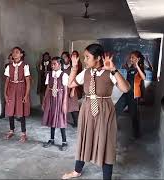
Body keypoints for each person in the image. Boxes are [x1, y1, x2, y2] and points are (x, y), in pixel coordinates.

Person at [61, 43, 130, 180]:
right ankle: (77, 171)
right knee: (84, 138)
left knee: (106, 142)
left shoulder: (109, 72)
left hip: (104, 110)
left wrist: (114, 70)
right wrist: (74, 68)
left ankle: (107, 177)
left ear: (98, 58)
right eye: (84, 57)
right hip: (87, 109)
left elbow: (126, 89)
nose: (85, 60)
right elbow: (70, 84)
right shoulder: (86, 72)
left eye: (87, 57)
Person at [115, 50, 146, 138]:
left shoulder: (140, 68)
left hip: (134, 95)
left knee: (134, 116)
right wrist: (126, 67)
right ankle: (113, 127)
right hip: (127, 93)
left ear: (138, 59)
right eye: (130, 57)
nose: (131, 59)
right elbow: (129, 71)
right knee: (116, 109)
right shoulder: (131, 67)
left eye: (133, 58)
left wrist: (137, 67)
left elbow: (143, 77)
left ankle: (136, 135)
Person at [3, 46, 31, 143]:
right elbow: (6, 81)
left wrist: (26, 95)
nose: (14, 54)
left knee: (21, 111)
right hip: (11, 88)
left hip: (21, 89)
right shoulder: (9, 66)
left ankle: (24, 133)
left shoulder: (25, 66)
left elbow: (28, 81)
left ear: (21, 54)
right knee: (10, 110)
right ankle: (11, 130)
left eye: (17, 52)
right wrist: (5, 93)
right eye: (13, 52)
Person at [42, 56, 69, 151]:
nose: (52, 66)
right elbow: (47, 89)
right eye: (51, 64)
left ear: (60, 64)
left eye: (54, 64)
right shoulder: (49, 75)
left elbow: (66, 91)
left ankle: (64, 142)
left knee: (61, 119)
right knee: (51, 118)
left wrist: (64, 103)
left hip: (60, 98)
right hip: (51, 99)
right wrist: (44, 101)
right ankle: (51, 139)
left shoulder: (64, 75)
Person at [61, 51, 80, 127]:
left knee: (73, 107)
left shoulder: (73, 67)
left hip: (71, 89)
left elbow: (75, 80)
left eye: (65, 57)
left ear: (69, 58)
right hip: (63, 89)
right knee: (63, 105)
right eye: (62, 58)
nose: (64, 59)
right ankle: (62, 121)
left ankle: (76, 123)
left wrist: (73, 90)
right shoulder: (61, 67)